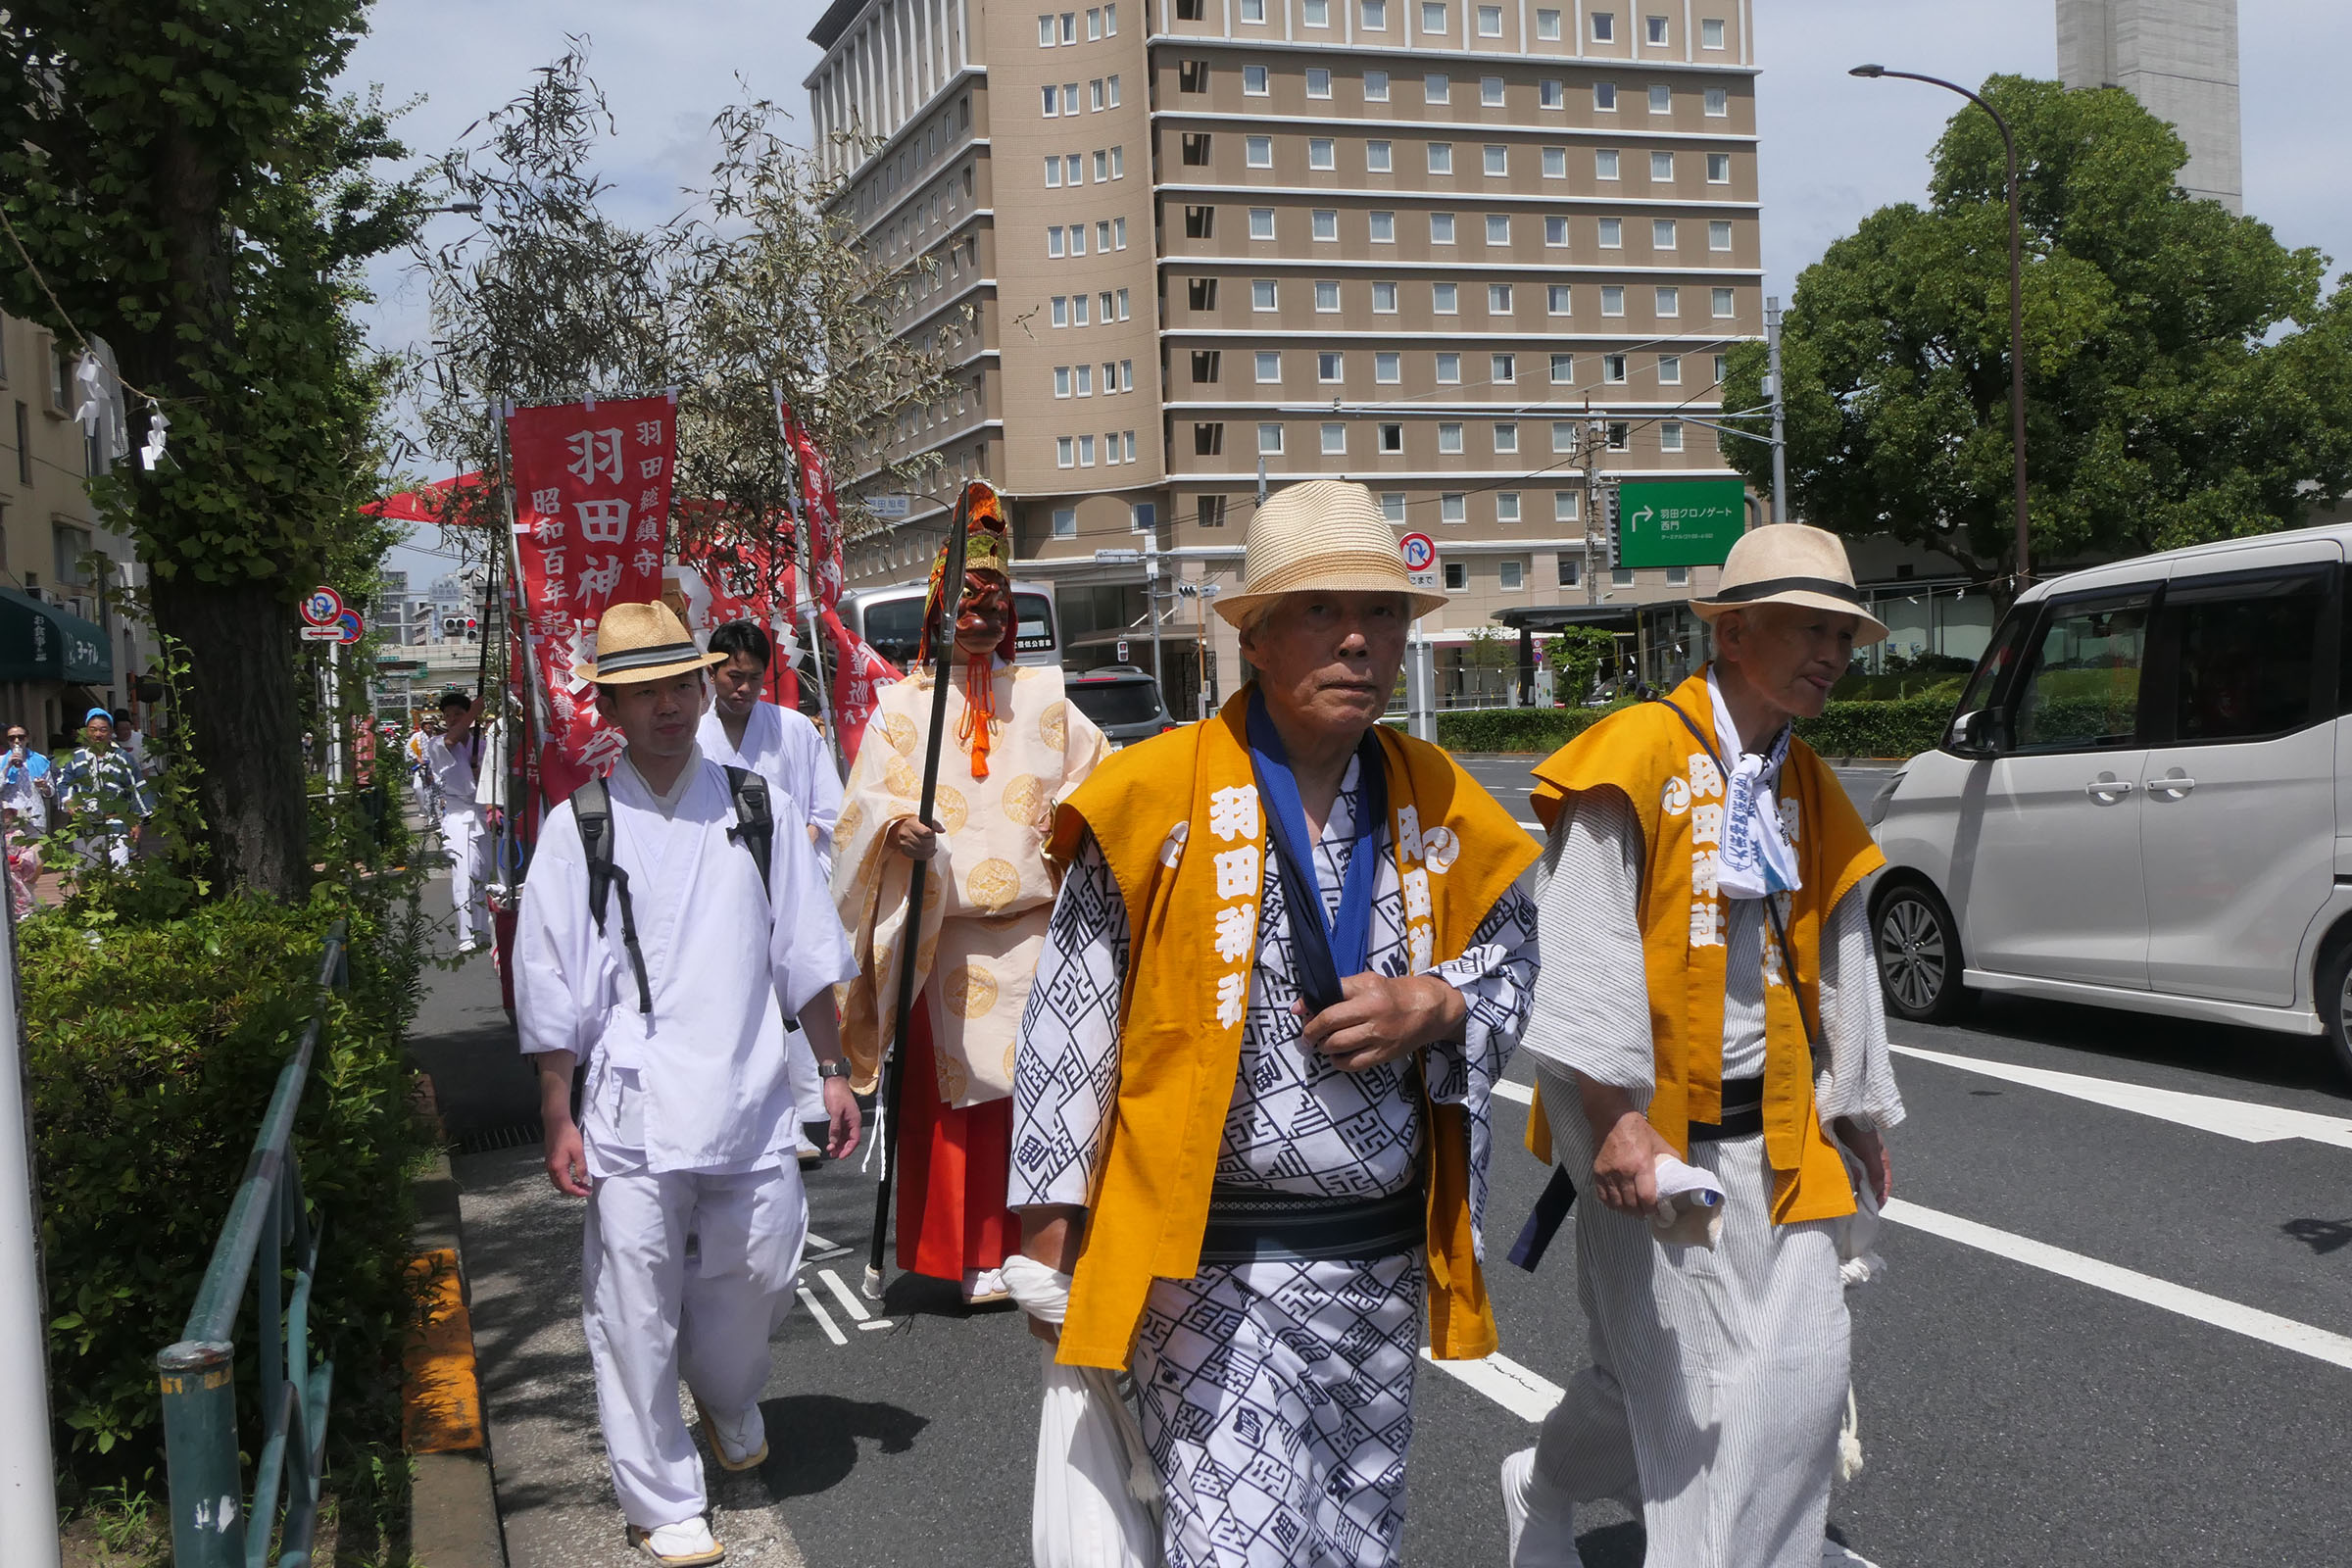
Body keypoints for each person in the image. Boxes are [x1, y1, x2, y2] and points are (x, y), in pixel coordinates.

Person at [1009, 478, 1542, 1568]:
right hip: (1209, 1266)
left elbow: (1515, 961)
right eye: (1320, 610)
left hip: (1380, 1255)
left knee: (1356, 1539)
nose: (1359, 638)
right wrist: (1048, 1236)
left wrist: (1439, 1004)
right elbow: (1074, 1010)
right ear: (1252, 637)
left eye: (1382, 611)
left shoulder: (1439, 796)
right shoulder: (1154, 795)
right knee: (1238, 1547)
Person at [1499, 524, 1905, 1568]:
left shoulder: (1802, 778)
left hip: (1783, 1131)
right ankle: (1548, 1484)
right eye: (1808, 628)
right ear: (1730, 632)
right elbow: (1582, 936)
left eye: (1843, 635)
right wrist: (1614, 1119)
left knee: (1803, 1380)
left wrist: (1857, 1104)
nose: (1832, 653)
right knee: (1690, 1404)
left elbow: (1842, 940)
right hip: (1657, 1137)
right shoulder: (1635, 752)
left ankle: (1574, 1488)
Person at [514, 600, 861, 1568]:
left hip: (749, 1088)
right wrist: (556, 1108)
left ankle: (725, 1388)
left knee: (763, 1270)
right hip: (629, 1101)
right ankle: (662, 1495)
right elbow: (551, 976)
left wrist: (834, 1070)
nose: (668, 706)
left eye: (681, 685)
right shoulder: (578, 825)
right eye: (644, 692)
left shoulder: (758, 806)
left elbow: (804, 951)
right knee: (632, 1305)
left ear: (704, 690)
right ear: (609, 710)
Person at [832, 488, 1109, 1305]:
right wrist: (896, 829)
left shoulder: (1049, 697)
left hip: (1040, 932)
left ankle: (1044, 1244)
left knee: (1050, 1091)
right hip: (942, 934)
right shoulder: (901, 707)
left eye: (994, 607)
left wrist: (1076, 817)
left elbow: (1102, 781)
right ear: (936, 610)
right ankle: (968, 1254)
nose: (981, 620)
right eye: (966, 606)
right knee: (958, 1105)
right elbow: (861, 808)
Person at [697, 619, 843, 853]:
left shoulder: (795, 727)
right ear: (712, 673)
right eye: (735, 676)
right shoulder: (694, 738)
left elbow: (830, 810)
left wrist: (802, 844)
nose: (745, 687)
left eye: (754, 677)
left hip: (793, 860)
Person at [424, 691, 490, 954]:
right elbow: (451, 740)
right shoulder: (436, 744)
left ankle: (483, 929)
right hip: (457, 815)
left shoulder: (483, 745)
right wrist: (474, 711)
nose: (452, 719)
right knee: (464, 872)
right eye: (448, 715)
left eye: (458, 714)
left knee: (483, 872)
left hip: (482, 813)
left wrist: (479, 771)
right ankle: (467, 933)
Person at [58, 708, 152, 871]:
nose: (98, 734)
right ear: (86, 731)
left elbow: (136, 787)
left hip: (116, 823)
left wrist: (136, 822)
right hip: (85, 824)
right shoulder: (75, 758)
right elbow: (63, 782)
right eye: (93, 729)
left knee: (119, 871)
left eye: (103, 730)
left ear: (111, 732)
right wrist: (69, 801)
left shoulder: (123, 757)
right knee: (86, 873)